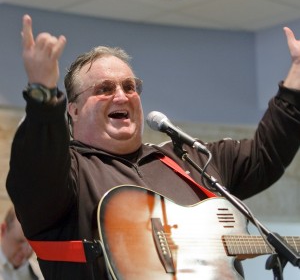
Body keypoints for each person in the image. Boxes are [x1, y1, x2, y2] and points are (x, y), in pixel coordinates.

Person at [5, 14, 300, 280]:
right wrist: (43, 96)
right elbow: (36, 168)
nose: (121, 96)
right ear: (74, 110)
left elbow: (265, 155)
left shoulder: (193, 159)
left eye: (129, 87)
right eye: (104, 89)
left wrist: (295, 81)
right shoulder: (68, 175)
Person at [0, 206, 44, 280]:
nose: (27, 250)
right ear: (3, 230)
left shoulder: (40, 273)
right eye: (19, 241)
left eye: (33, 244)